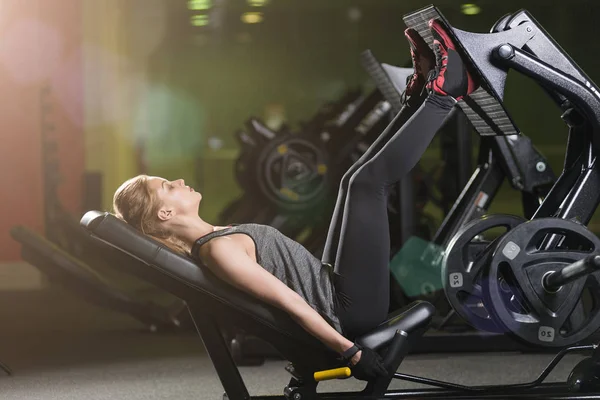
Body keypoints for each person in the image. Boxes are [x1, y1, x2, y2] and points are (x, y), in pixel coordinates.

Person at [112, 20, 477, 381]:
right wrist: (350, 352)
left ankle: (419, 95)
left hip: (333, 287)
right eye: (167, 187)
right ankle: (446, 93)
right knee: (368, 185)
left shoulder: (214, 241)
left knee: (352, 182)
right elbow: (289, 303)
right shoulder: (216, 252)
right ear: (165, 211)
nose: (178, 181)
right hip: (346, 309)